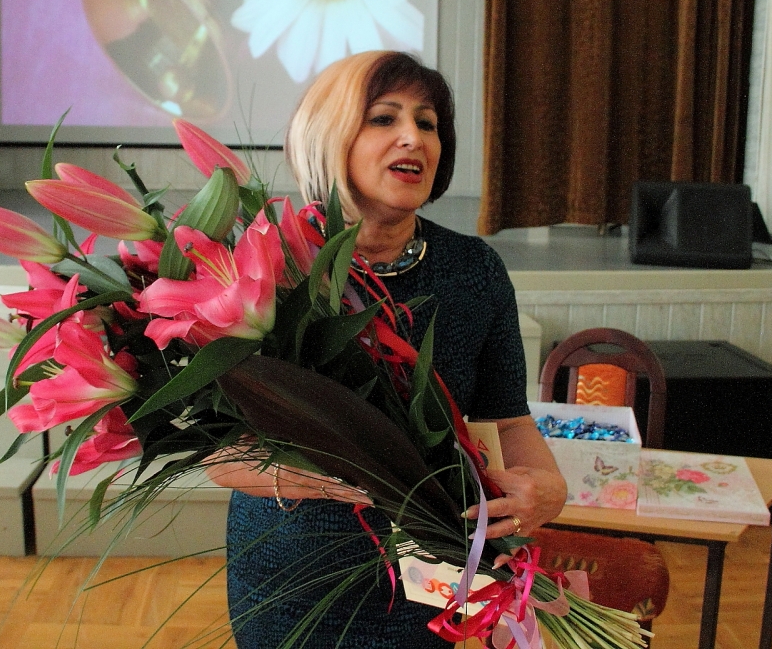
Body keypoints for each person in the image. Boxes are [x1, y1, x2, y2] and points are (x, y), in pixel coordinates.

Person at [206, 51, 568, 648]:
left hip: (433, 577)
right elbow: (214, 450)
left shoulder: (474, 270)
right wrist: (303, 475)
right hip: (291, 575)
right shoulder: (268, 262)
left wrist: (551, 489)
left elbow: (508, 419)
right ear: (329, 135)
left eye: (427, 123)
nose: (414, 138)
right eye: (383, 118)